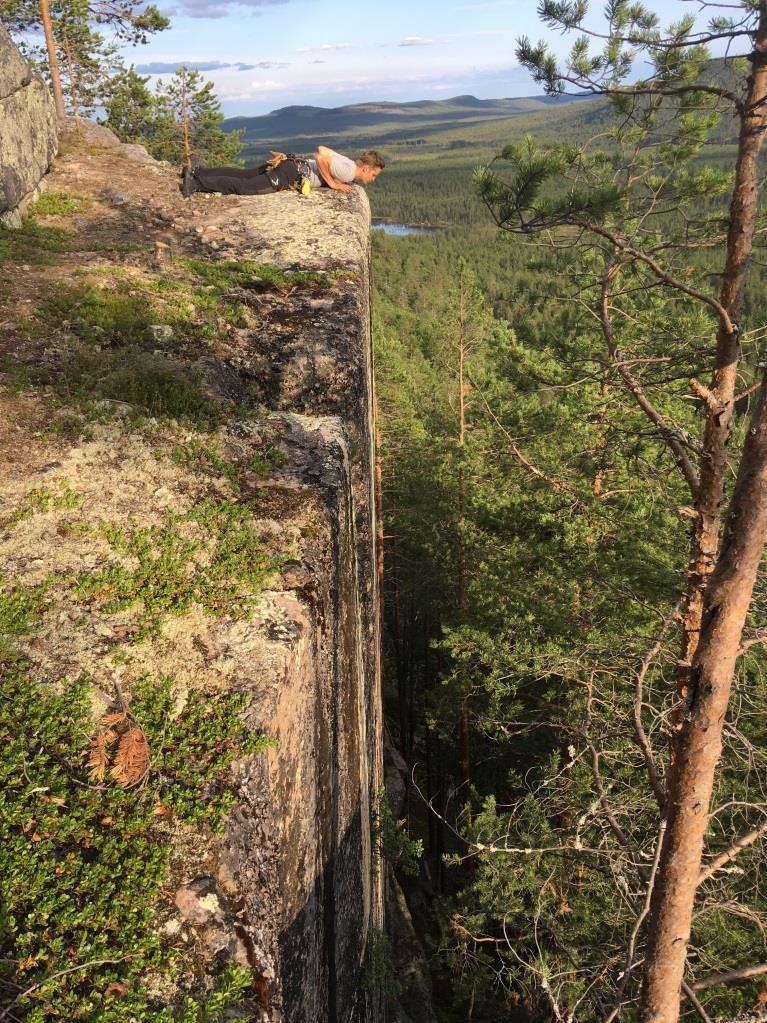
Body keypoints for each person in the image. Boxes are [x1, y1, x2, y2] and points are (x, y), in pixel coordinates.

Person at [180, 146, 384, 198]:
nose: (372, 179)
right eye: (373, 174)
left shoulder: (347, 163)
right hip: (288, 175)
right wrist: (332, 183)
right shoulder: (348, 173)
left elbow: (323, 149)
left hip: (289, 164)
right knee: (246, 188)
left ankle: (197, 171)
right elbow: (321, 157)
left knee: (244, 175)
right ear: (366, 168)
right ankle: (196, 184)